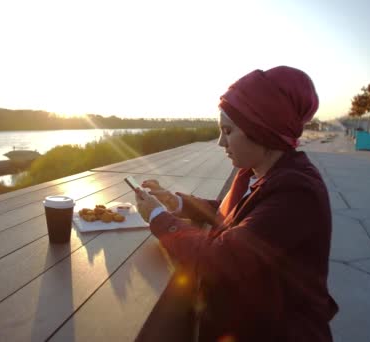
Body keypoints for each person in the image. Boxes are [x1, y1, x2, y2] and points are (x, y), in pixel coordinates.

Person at [135, 66, 338, 341]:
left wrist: (159, 218)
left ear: (261, 129)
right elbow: (238, 213)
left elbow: (221, 259)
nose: (221, 142)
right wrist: (177, 202)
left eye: (228, 131)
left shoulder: (297, 193)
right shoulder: (264, 173)